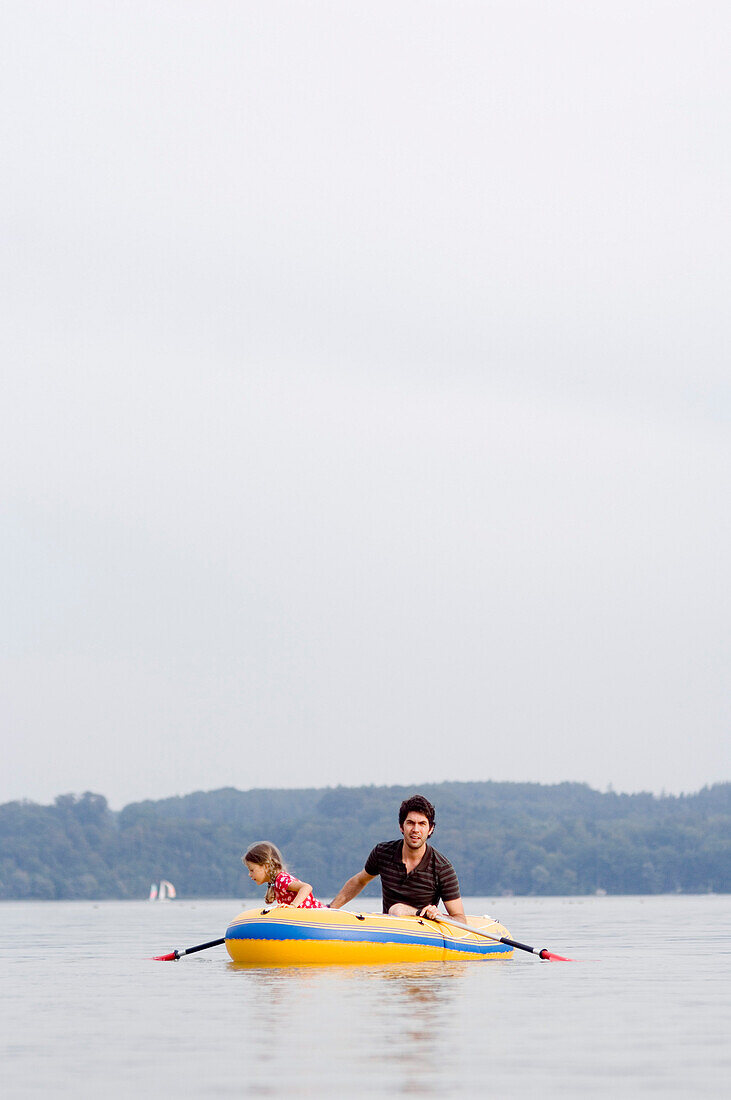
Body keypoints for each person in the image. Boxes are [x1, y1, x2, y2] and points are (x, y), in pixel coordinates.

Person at [329, 794, 466, 921]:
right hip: (390, 933)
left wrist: (438, 915)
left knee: (398, 909)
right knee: (396, 910)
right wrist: (330, 909)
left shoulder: (442, 868)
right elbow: (360, 881)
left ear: (430, 829)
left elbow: (460, 919)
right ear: (401, 826)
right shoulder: (382, 852)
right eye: (410, 823)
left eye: (422, 824)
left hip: (424, 935)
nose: (416, 830)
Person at [243, 841, 325, 909]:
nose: (249, 874)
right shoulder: (276, 883)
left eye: (251, 870)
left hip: (319, 912)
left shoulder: (281, 880)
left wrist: (293, 906)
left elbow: (306, 887)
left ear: (266, 866)